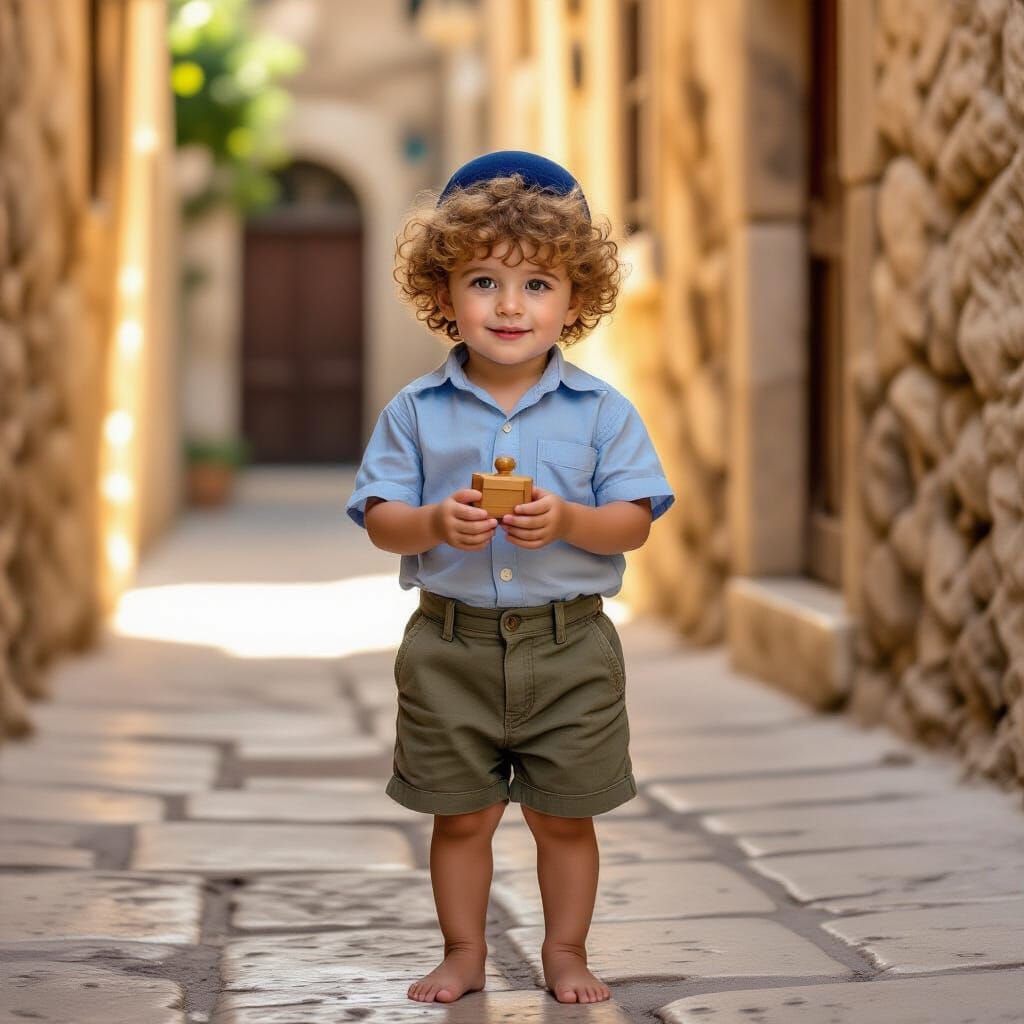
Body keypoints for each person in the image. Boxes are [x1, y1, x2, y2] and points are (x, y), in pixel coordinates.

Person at [345, 150, 674, 1006]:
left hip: (570, 647)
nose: (509, 305)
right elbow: (382, 520)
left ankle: (566, 951)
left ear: (576, 298)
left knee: (566, 815)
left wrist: (567, 519)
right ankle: (464, 953)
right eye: (484, 281)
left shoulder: (604, 413)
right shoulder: (414, 413)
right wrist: (430, 523)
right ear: (443, 294)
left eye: (537, 286)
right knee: (460, 815)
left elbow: (634, 520)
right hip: (450, 646)